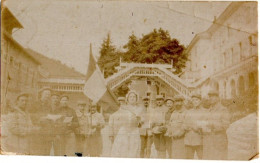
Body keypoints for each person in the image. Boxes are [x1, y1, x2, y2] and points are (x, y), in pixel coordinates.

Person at [111, 91, 143, 158]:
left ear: (136, 98)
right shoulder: (123, 108)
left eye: (134, 97)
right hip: (124, 130)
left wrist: (140, 121)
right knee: (122, 149)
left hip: (134, 131)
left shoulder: (140, 109)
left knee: (133, 149)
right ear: (127, 98)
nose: (132, 98)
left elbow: (142, 122)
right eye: (130, 97)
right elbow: (116, 119)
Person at [201, 90, 230, 160]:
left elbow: (225, 125)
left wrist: (212, 125)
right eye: (209, 97)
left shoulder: (223, 109)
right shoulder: (209, 110)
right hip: (209, 141)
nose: (210, 99)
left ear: (217, 98)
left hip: (219, 140)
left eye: (213, 97)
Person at [30, 87, 53, 155]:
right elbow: (31, 116)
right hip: (38, 131)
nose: (48, 96)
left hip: (47, 132)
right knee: (38, 151)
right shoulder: (35, 104)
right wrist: (40, 119)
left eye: (49, 94)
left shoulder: (49, 106)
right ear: (41, 95)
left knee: (47, 151)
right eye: (46, 94)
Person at [183, 93, 205, 159]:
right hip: (189, 140)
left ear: (200, 101)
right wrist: (185, 127)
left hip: (200, 140)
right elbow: (184, 124)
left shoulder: (205, 111)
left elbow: (205, 124)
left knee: (202, 158)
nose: (195, 102)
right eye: (193, 100)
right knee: (189, 158)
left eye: (196, 100)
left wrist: (197, 127)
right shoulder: (188, 112)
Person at [169, 95, 186, 159]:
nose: (177, 103)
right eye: (176, 101)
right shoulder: (174, 112)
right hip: (174, 139)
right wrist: (169, 132)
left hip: (182, 139)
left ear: (182, 102)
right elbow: (171, 123)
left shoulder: (185, 112)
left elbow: (186, 125)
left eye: (179, 101)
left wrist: (178, 134)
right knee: (175, 156)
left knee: (181, 156)